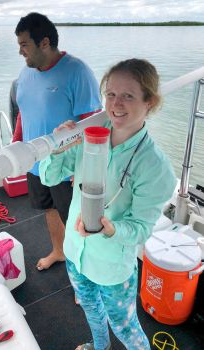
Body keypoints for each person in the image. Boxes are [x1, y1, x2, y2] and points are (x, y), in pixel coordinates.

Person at [39, 58, 177, 350]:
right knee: (91, 311)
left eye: (128, 95)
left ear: (149, 102)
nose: (116, 104)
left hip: (112, 268)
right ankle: (100, 347)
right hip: (75, 252)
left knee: (125, 327)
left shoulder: (155, 167)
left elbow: (140, 230)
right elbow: (50, 177)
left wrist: (109, 229)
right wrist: (58, 145)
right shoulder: (90, 134)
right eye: (111, 94)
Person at [14, 12, 102, 271]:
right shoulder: (26, 71)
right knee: (49, 209)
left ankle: (83, 275)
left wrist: (84, 168)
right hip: (36, 162)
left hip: (67, 168)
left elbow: (93, 121)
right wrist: (17, 143)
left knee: (76, 221)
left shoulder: (77, 71)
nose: (20, 51)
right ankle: (59, 252)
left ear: (44, 43)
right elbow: (23, 110)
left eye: (24, 45)